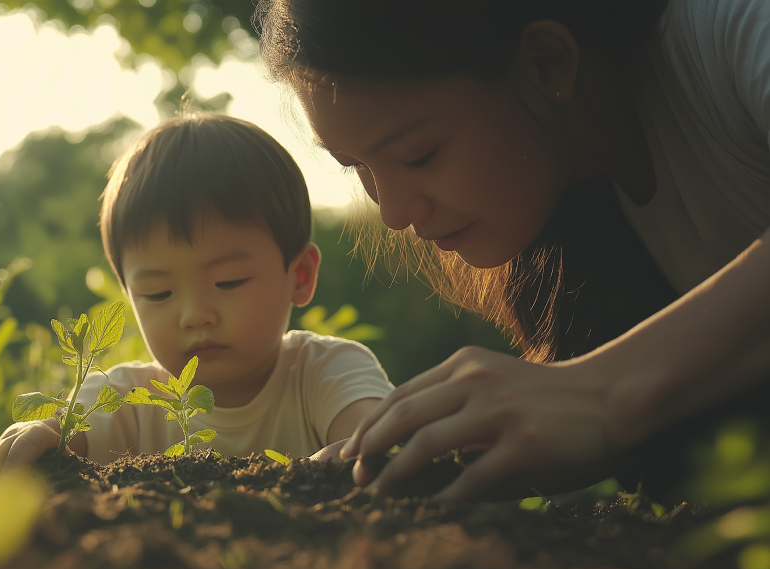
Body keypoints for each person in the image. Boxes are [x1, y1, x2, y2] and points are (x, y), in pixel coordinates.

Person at [253, 0, 770, 503]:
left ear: (546, 64)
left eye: (420, 155)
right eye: (355, 166)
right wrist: (457, 451)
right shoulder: (580, 201)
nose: (392, 213)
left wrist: (603, 392)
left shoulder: (735, 28)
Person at [0, 114, 393, 476]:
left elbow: (376, 445)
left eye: (228, 282)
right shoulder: (123, 401)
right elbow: (58, 437)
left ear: (299, 275)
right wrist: (40, 434)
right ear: (129, 296)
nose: (195, 315)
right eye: (158, 293)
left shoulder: (326, 373)